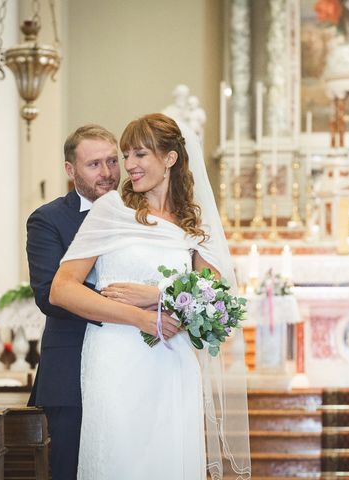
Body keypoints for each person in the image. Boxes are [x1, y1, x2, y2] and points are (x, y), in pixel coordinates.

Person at [49, 113, 251, 479]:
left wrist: (155, 295)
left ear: (169, 159)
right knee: (120, 458)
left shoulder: (194, 223)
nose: (128, 166)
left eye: (139, 155)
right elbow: (62, 289)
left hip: (171, 360)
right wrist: (140, 316)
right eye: (126, 155)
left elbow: (217, 304)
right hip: (115, 356)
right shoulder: (111, 209)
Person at [26, 124, 143, 479]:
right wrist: (129, 303)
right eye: (94, 164)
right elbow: (49, 295)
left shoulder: (138, 212)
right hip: (71, 370)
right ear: (69, 169)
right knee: (72, 469)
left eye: (112, 161)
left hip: (132, 364)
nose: (107, 173)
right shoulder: (48, 219)